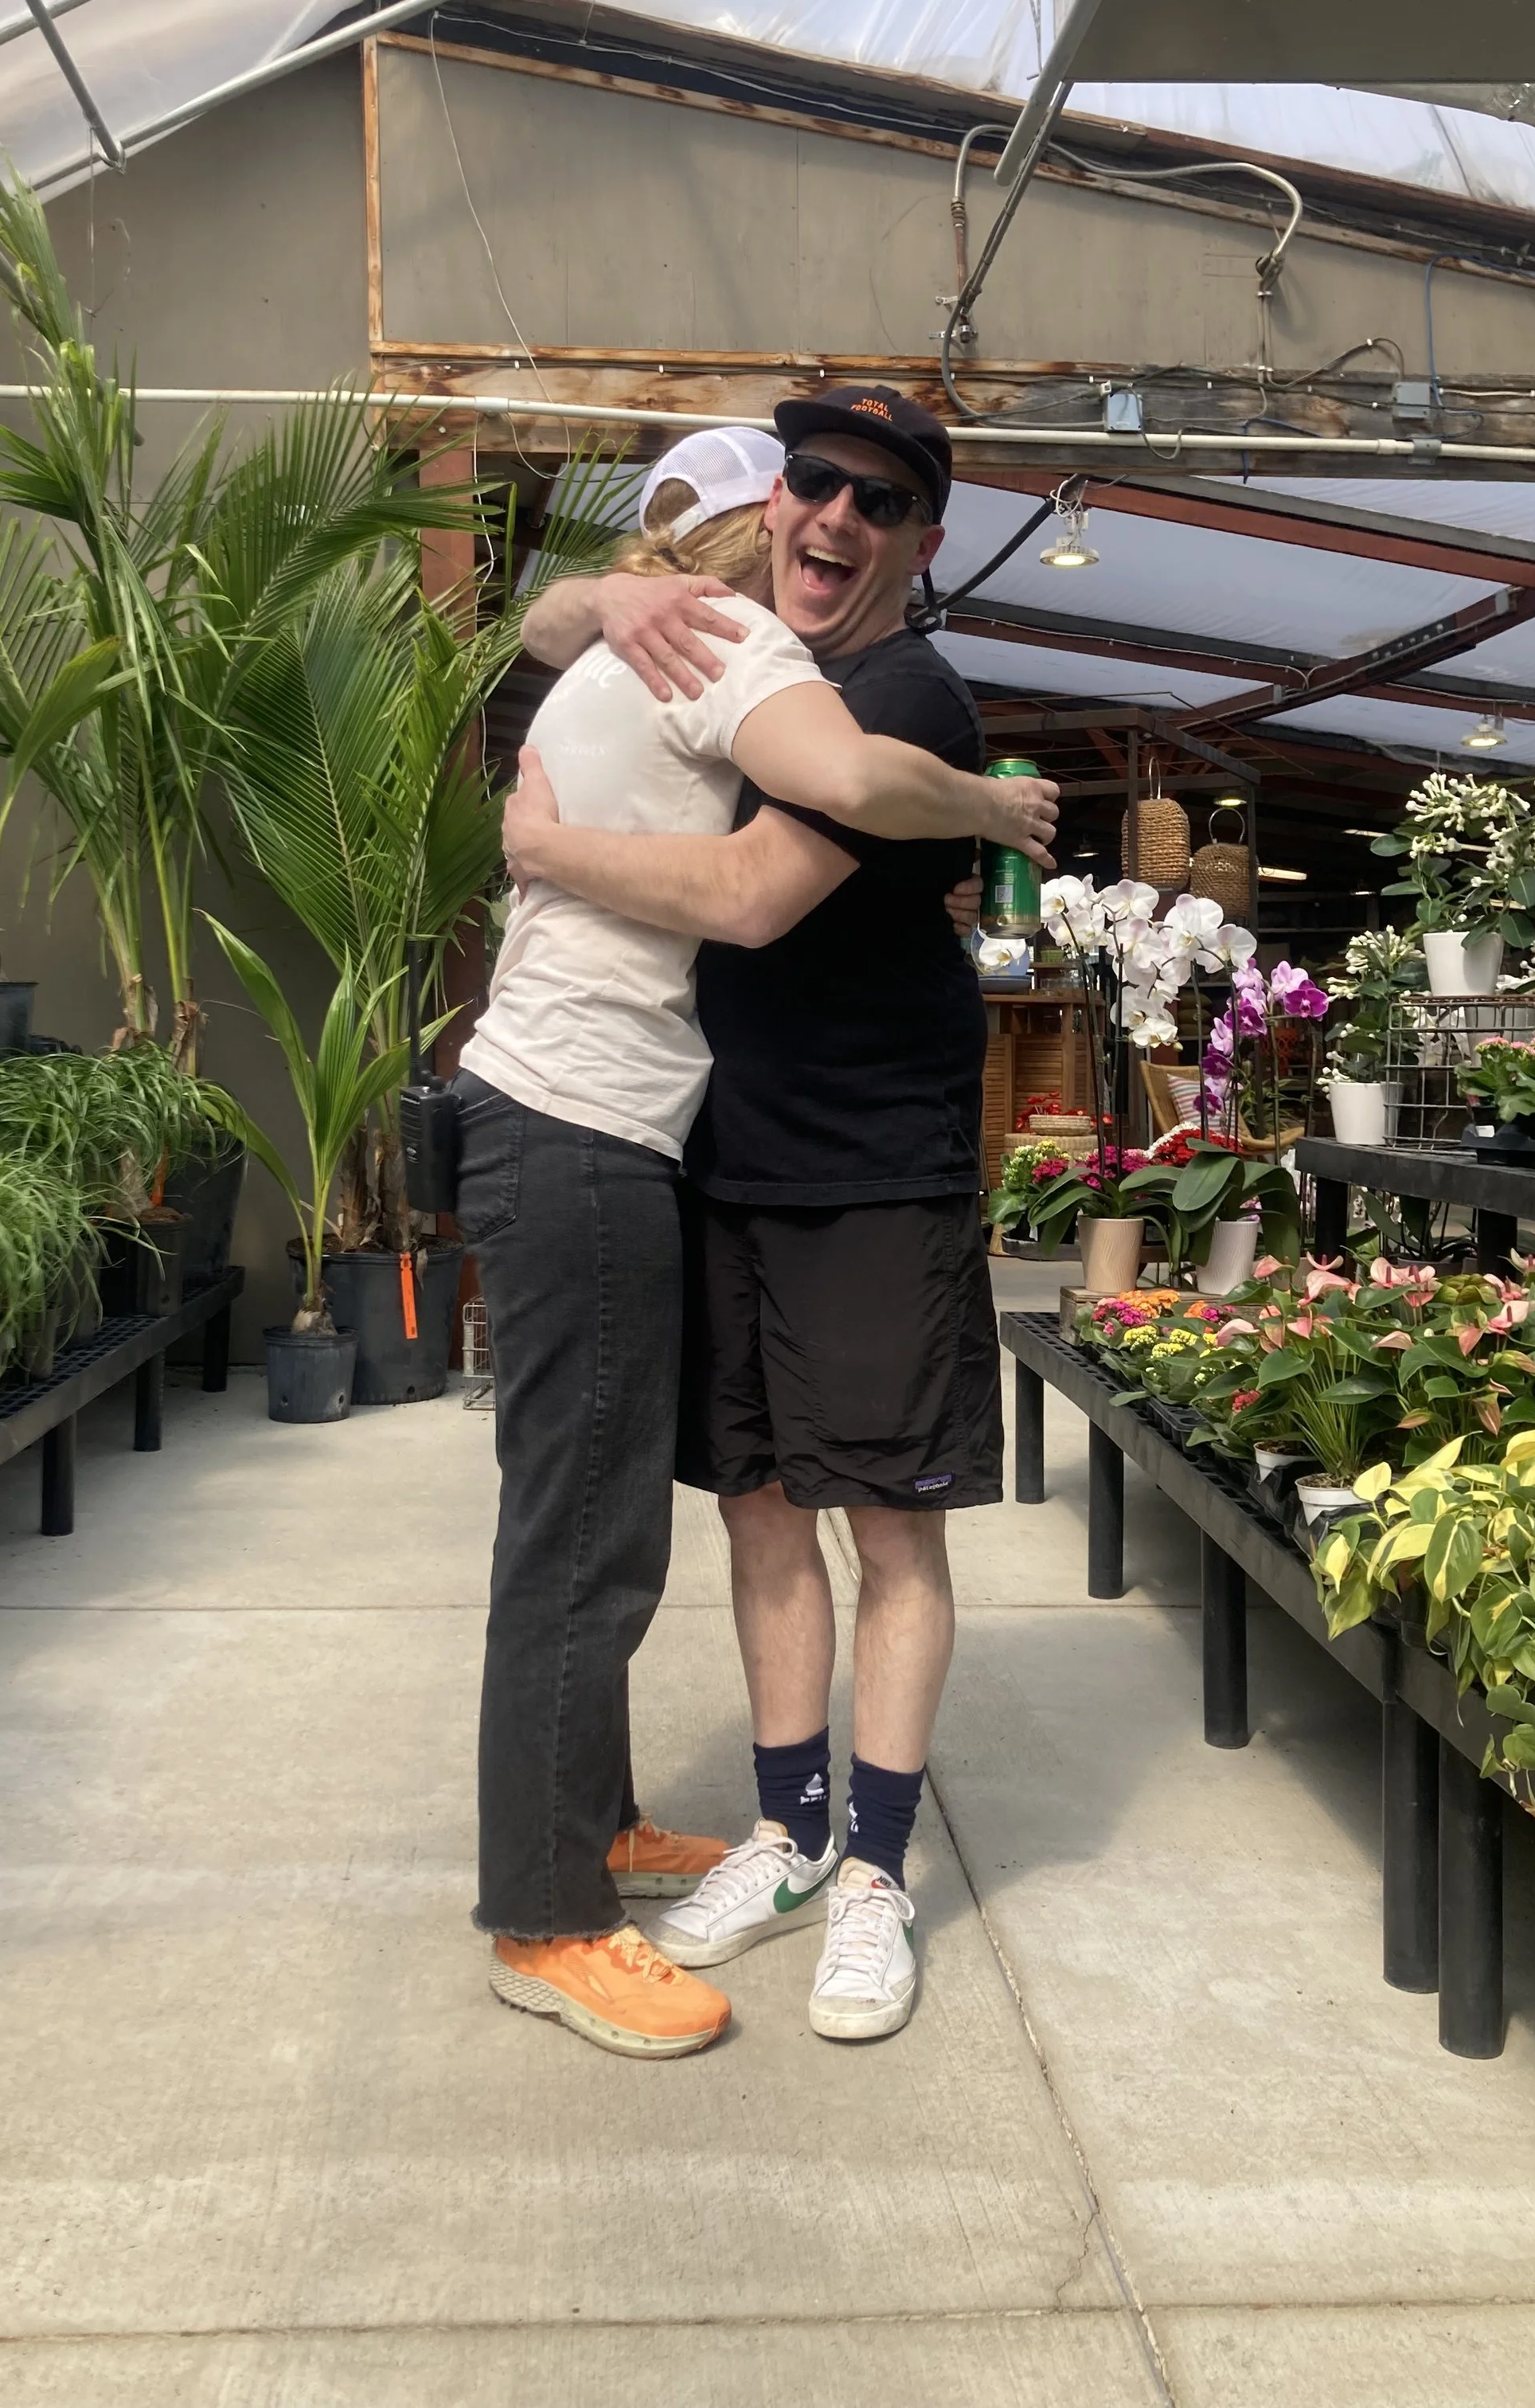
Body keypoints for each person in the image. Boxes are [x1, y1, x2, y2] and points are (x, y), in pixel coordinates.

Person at [462, 420, 1054, 2061]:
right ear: (757, 509)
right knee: (747, 1514)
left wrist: (987, 798)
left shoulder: (893, 687)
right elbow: (549, 625)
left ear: (919, 542)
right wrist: (585, 593)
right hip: (694, 1146)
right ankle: (779, 1829)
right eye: (813, 486)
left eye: (882, 503)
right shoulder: (730, 640)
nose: (839, 516)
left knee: (885, 1522)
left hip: (862, 1160)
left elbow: (750, 888)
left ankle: (869, 1862)